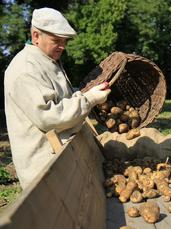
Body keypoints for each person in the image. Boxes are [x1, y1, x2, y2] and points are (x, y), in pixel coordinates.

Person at [4, 7, 111, 189]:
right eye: (56, 40)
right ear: (36, 36)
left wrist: (85, 93)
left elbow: (62, 99)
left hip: (62, 155)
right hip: (43, 166)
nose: (63, 46)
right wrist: (89, 99)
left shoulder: (47, 60)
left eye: (65, 41)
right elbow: (49, 117)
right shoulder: (25, 69)